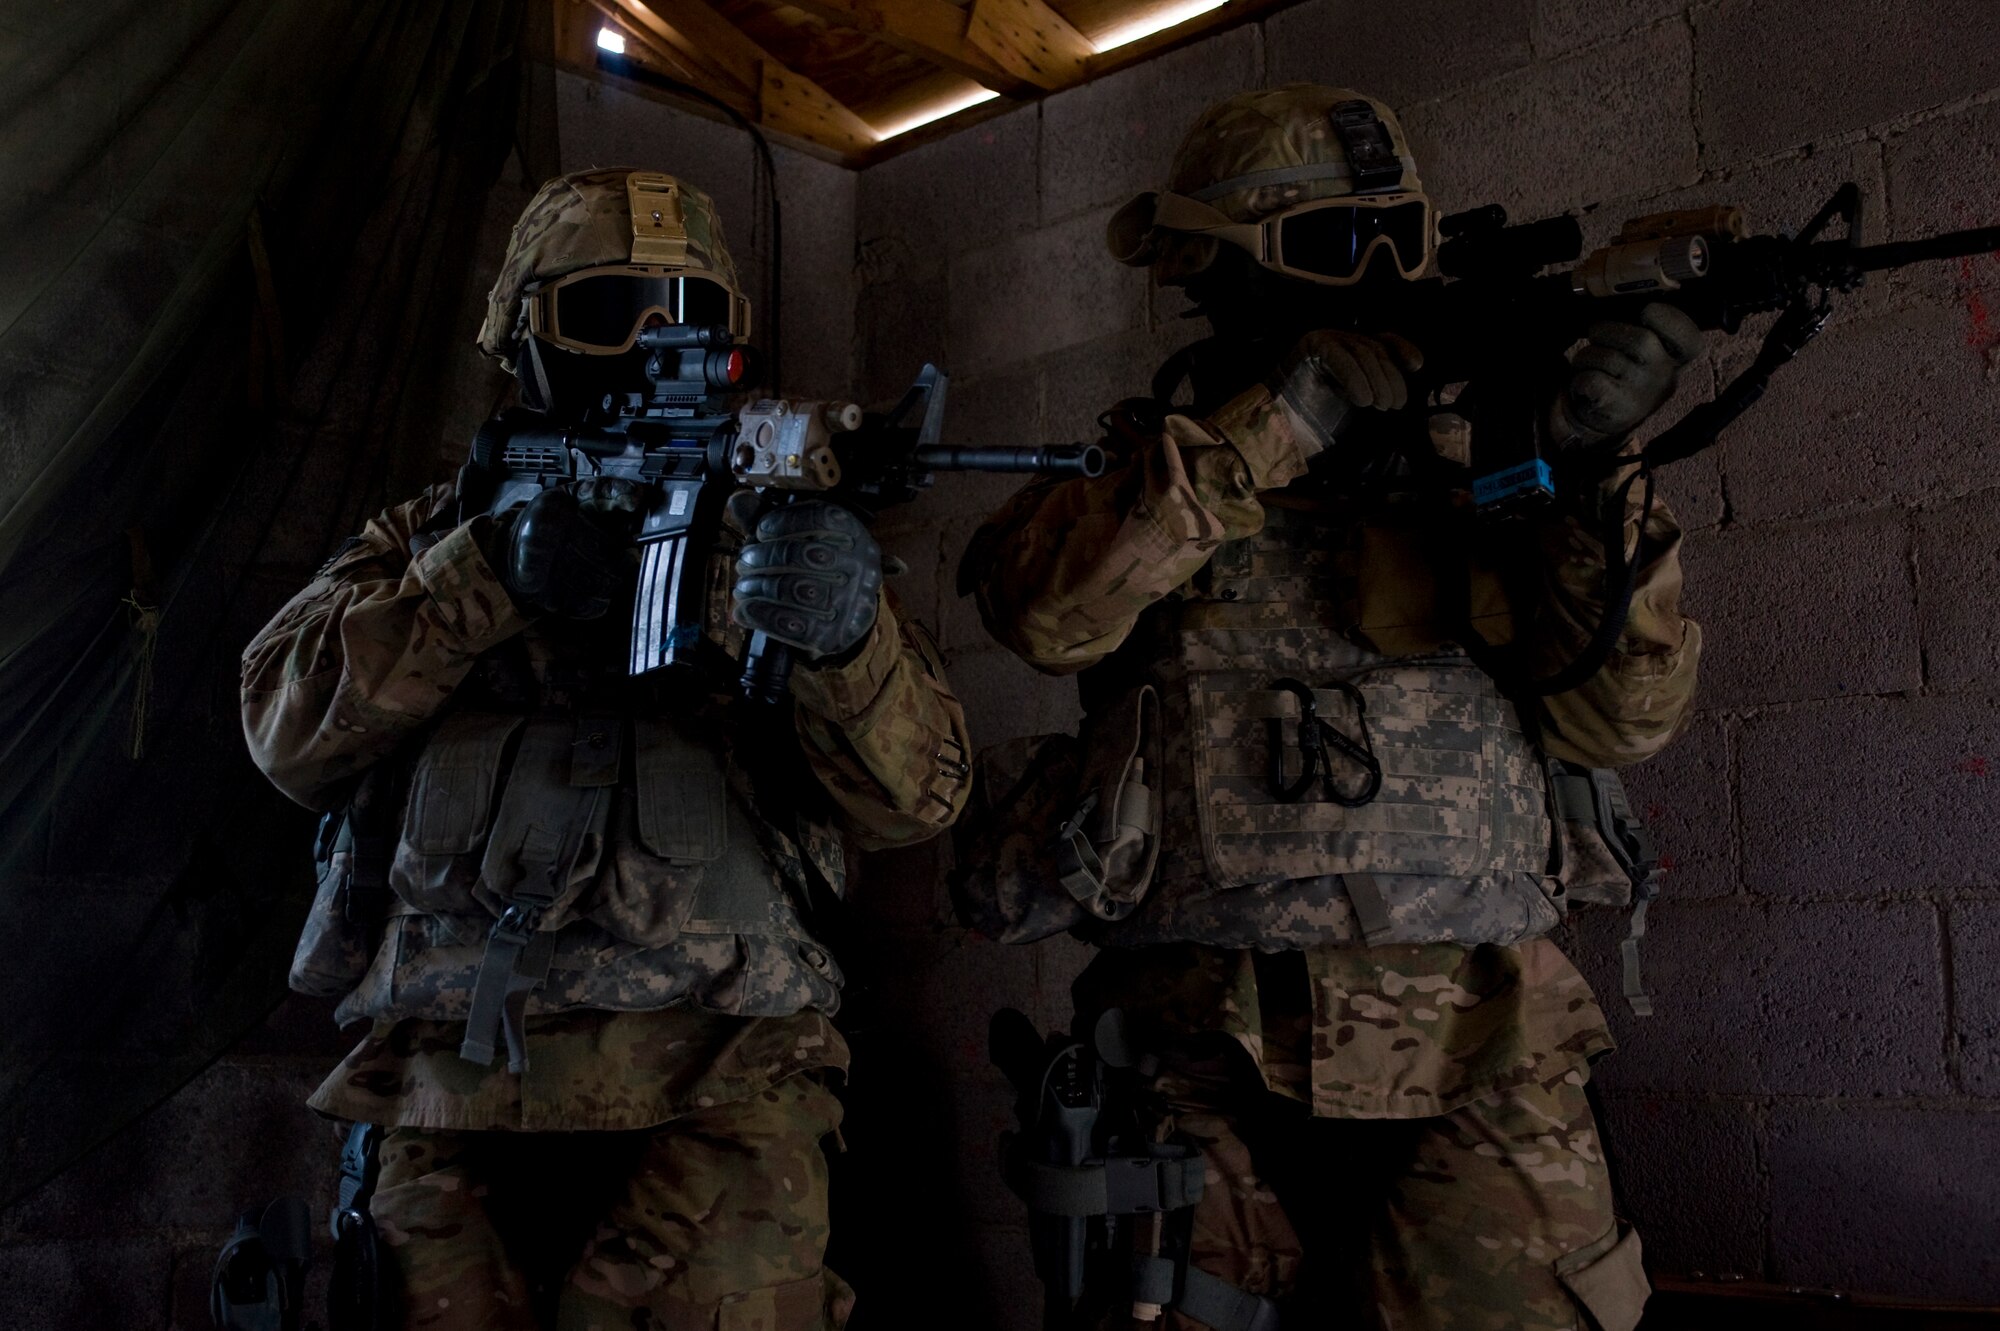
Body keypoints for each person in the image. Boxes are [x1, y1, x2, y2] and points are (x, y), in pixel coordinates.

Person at [959, 86, 1701, 1331]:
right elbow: (1050, 614)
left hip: (1484, 1038)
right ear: (1206, 268)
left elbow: (1622, 719)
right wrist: (1278, 422)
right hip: (1196, 1047)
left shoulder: (1491, 473)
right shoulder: (1138, 474)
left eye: (1392, 247)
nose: (1369, 283)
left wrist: (1586, 467)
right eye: (1325, 251)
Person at [241, 167, 970, 1330]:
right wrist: (488, 574)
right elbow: (282, 728)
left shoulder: (761, 542)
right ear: (523, 338)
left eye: (683, 317)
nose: (644, 344)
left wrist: (842, 637)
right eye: (602, 313)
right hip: (446, 1086)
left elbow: (919, 796)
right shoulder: (429, 535)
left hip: (722, 1081)